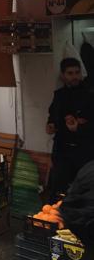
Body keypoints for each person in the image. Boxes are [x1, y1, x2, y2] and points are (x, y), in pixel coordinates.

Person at [47, 57, 94, 203]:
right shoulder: (59, 95)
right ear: (63, 75)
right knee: (60, 191)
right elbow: (53, 117)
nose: (74, 77)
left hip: (85, 152)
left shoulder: (90, 94)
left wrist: (80, 127)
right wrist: (51, 125)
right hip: (63, 152)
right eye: (70, 73)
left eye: (77, 73)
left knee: (85, 191)